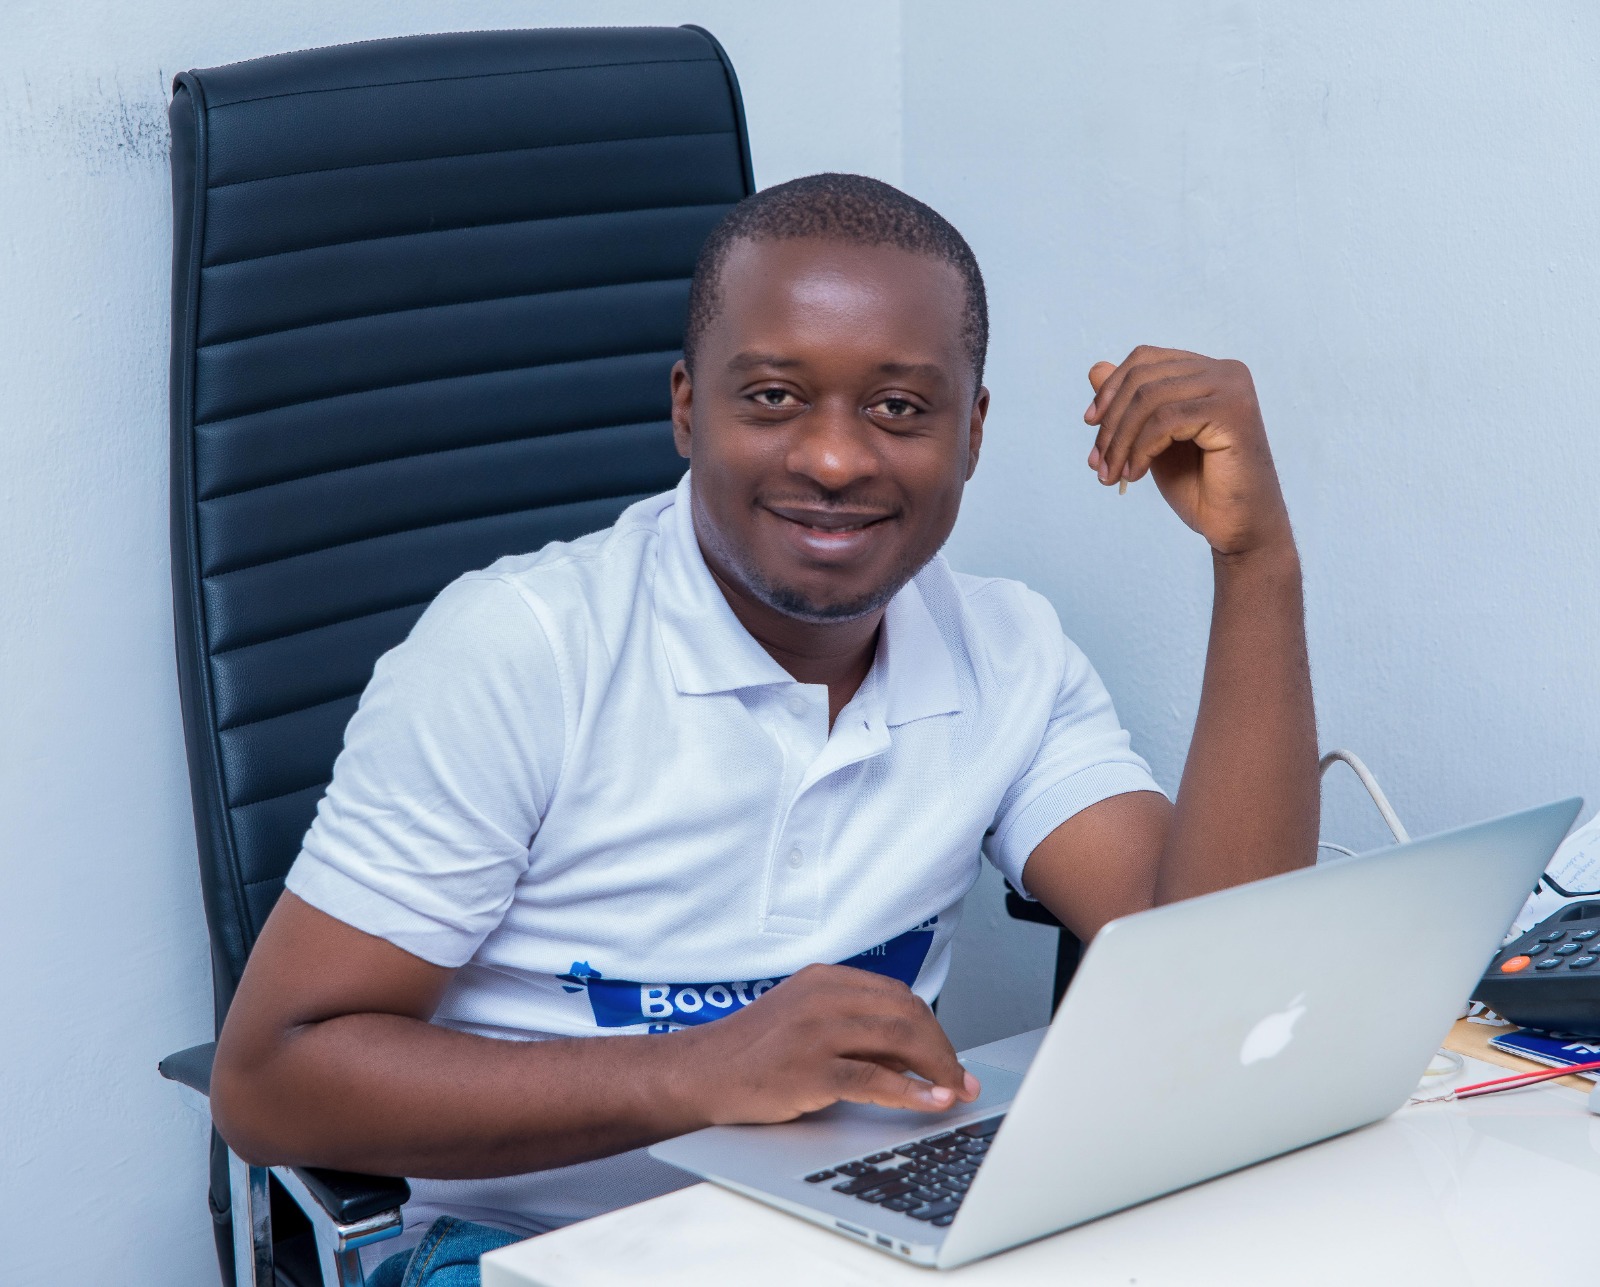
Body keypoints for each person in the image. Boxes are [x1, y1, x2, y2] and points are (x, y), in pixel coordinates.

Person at [210, 173, 1318, 1283]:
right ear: (687, 408)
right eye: (776, 397)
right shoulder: (520, 652)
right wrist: (696, 1072)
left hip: (854, 1234)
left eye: (899, 408)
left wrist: (1254, 557)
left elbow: (1219, 985)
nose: (834, 460)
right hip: (525, 1249)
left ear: (972, 433)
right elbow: (269, 1085)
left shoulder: (1007, 651)